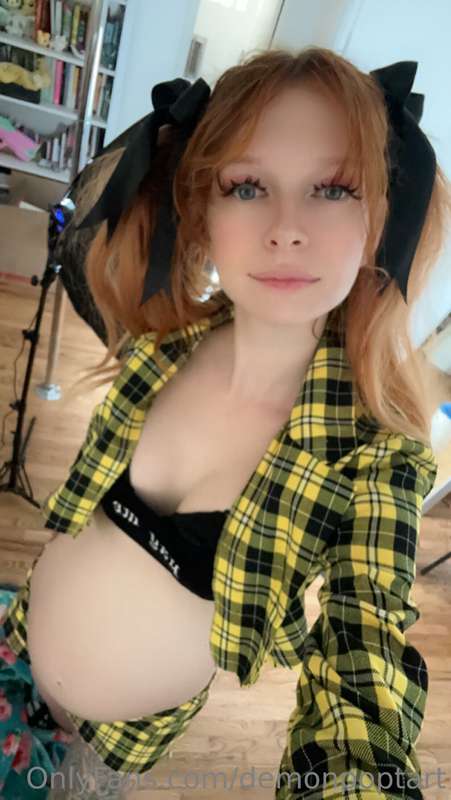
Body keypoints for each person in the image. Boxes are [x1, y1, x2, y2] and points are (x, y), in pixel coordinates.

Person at [0, 45, 450, 799]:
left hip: (107, 750)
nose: (285, 229)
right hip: (16, 641)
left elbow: (362, 661)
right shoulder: (164, 339)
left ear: (380, 216)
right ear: (202, 208)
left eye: (332, 188)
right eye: (247, 186)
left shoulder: (375, 456)